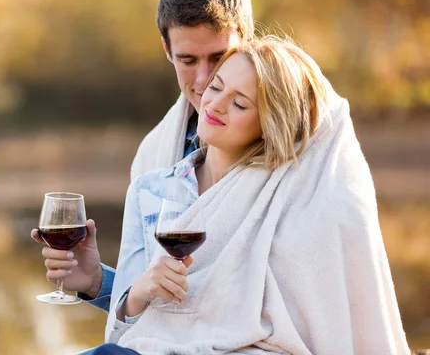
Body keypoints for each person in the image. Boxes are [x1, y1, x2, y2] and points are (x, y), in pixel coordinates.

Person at [101, 36, 409, 353]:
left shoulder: (283, 204)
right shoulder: (150, 190)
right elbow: (120, 334)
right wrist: (136, 295)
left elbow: (310, 325)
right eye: (216, 87)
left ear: (269, 124)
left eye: (239, 103)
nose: (216, 104)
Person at [31, 0, 254, 314]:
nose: (205, 80)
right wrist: (95, 282)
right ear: (167, 51)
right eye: (188, 60)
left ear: (249, 43)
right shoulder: (155, 154)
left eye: (220, 57)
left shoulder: (296, 149)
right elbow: (156, 308)